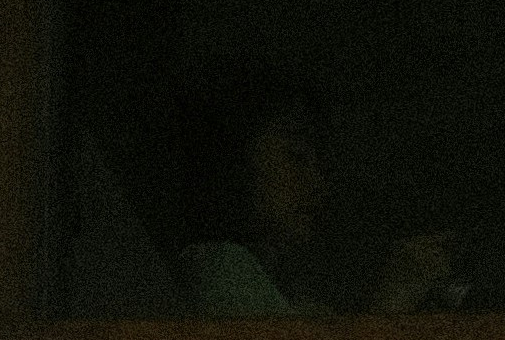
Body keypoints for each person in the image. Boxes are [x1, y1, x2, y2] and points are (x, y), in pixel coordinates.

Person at [164, 71, 456, 319]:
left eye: (319, 165)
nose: (318, 184)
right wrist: (395, 296)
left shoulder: (279, 291)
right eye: (296, 156)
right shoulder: (222, 267)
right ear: (232, 158)